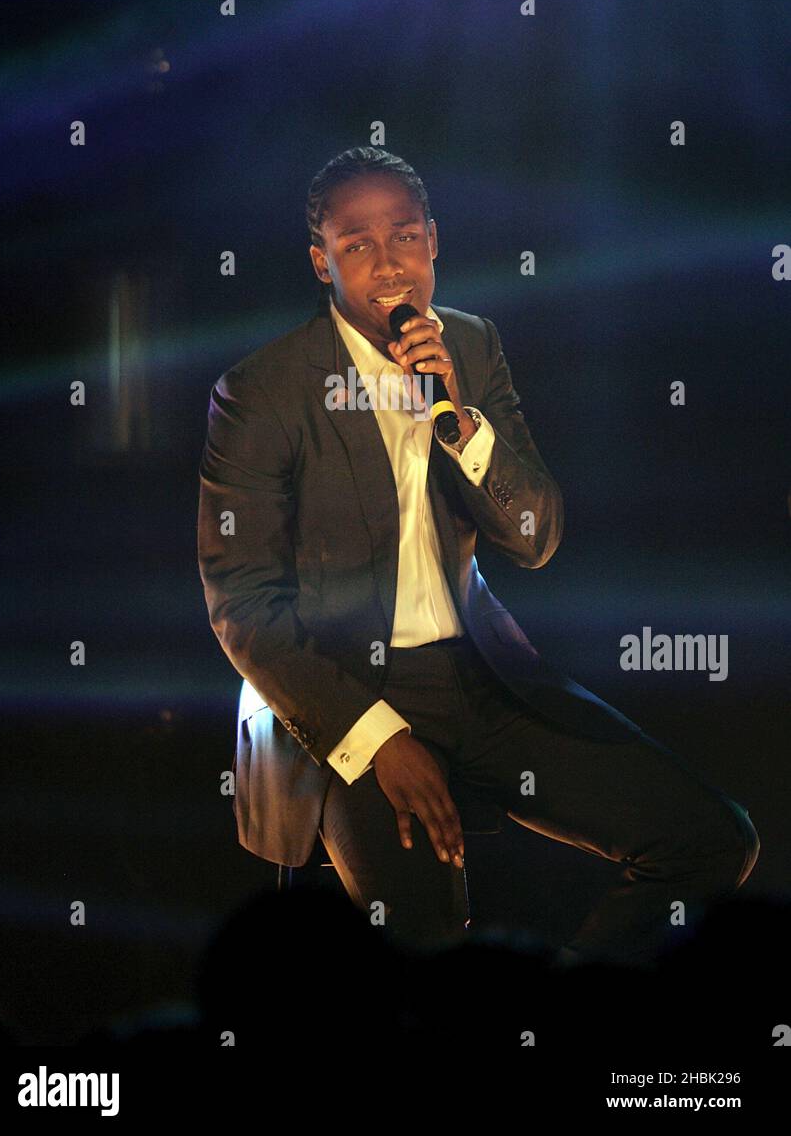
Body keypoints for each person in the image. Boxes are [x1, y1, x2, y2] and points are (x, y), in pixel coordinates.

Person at [196, 145, 759, 965]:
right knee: (422, 940)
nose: (388, 264)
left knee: (711, 840)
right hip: (345, 692)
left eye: (405, 237)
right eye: (357, 245)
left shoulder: (472, 345)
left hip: (479, 675)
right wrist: (380, 740)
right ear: (322, 262)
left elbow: (533, 540)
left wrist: (458, 424)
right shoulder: (264, 390)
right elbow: (241, 608)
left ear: (433, 242)